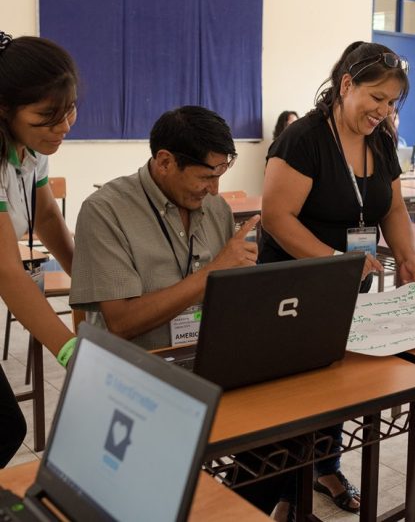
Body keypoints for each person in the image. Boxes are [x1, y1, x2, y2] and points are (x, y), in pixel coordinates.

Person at [260, 40, 415, 518]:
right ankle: (284, 496)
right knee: (295, 392)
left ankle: (325, 467)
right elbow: (277, 217)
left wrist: (407, 257)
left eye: (392, 102)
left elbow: (391, 206)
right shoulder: (304, 138)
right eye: (376, 98)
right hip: (292, 284)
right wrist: (336, 260)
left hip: (346, 282)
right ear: (346, 84)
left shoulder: (380, 139)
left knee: (334, 379)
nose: (384, 110)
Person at [70, 105, 258, 351]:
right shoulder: (105, 211)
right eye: (205, 177)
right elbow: (121, 322)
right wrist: (213, 271)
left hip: (206, 356)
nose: (214, 190)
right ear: (165, 162)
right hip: (135, 371)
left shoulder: (216, 208)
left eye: (220, 174)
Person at [0, 31, 78, 466]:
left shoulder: (30, 149)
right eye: (47, 117)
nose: (63, 128)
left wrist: (89, 283)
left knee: (6, 428)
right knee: (6, 428)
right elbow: (7, 271)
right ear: (4, 111)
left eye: (69, 111)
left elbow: (46, 217)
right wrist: (68, 350)